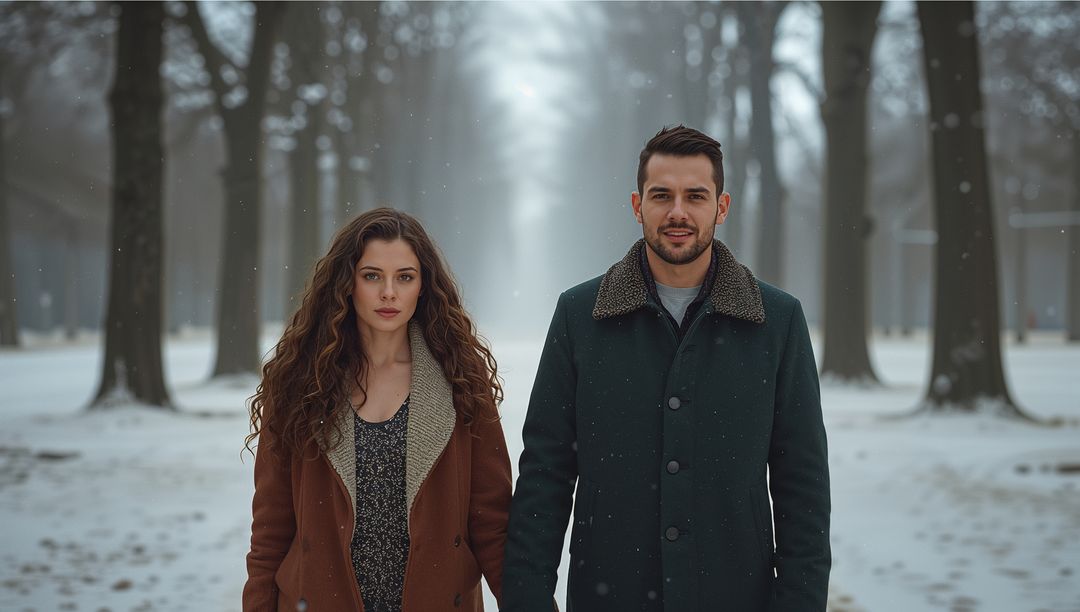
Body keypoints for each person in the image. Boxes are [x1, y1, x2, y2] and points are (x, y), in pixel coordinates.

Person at [502, 126, 831, 611]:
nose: (678, 212)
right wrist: (528, 599)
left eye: (695, 196)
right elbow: (545, 474)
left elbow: (801, 486)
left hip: (736, 596)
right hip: (610, 595)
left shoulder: (777, 322)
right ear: (638, 206)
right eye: (662, 196)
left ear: (721, 207)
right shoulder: (580, 316)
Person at [242, 208, 512, 611]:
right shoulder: (301, 382)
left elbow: (492, 523)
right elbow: (270, 530)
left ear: (423, 285)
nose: (389, 292)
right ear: (347, 283)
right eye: (372, 276)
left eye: (405, 277)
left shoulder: (461, 381)